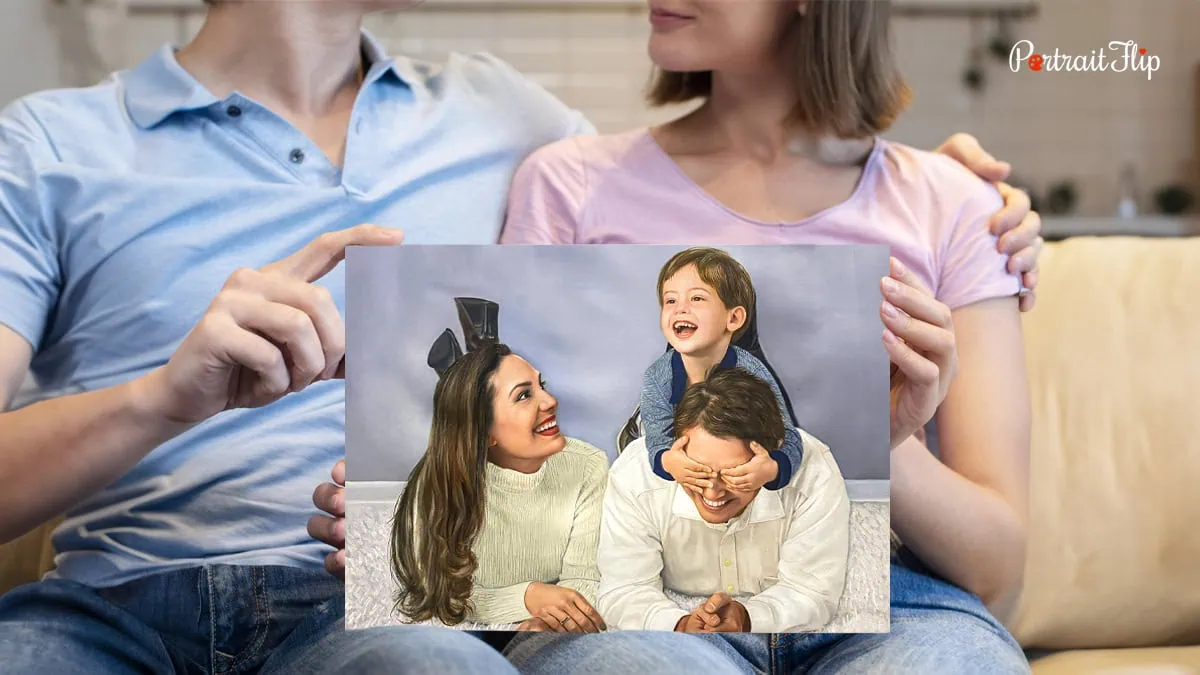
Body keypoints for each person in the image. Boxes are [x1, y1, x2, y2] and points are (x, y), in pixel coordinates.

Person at [0, 0, 1038, 671]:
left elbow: (744, 184)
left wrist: (943, 190)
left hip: (369, 619)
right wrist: (164, 397)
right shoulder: (47, 145)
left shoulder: (502, 117)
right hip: (114, 600)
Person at [493, 0, 1033, 672]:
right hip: (644, 598)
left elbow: (996, 563)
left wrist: (879, 441)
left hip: (894, 602)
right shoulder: (568, 185)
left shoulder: (956, 206)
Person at [598, 369, 850, 634]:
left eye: (735, 475)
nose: (712, 493)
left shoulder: (814, 473)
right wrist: (679, 624)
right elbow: (624, 588)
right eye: (697, 472)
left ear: (772, 457)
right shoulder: (634, 476)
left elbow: (811, 591)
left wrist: (749, 618)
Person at [390, 341, 609, 632]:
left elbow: (585, 575)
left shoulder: (588, 465)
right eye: (524, 396)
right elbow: (440, 595)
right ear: (484, 431)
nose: (550, 401)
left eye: (541, 385)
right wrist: (527, 596)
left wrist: (549, 622)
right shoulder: (436, 487)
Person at [642, 247, 802, 496]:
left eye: (696, 298)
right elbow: (656, 441)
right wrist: (667, 461)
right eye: (670, 300)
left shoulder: (753, 373)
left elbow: (789, 436)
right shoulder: (657, 377)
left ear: (734, 319)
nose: (680, 309)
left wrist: (771, 468)